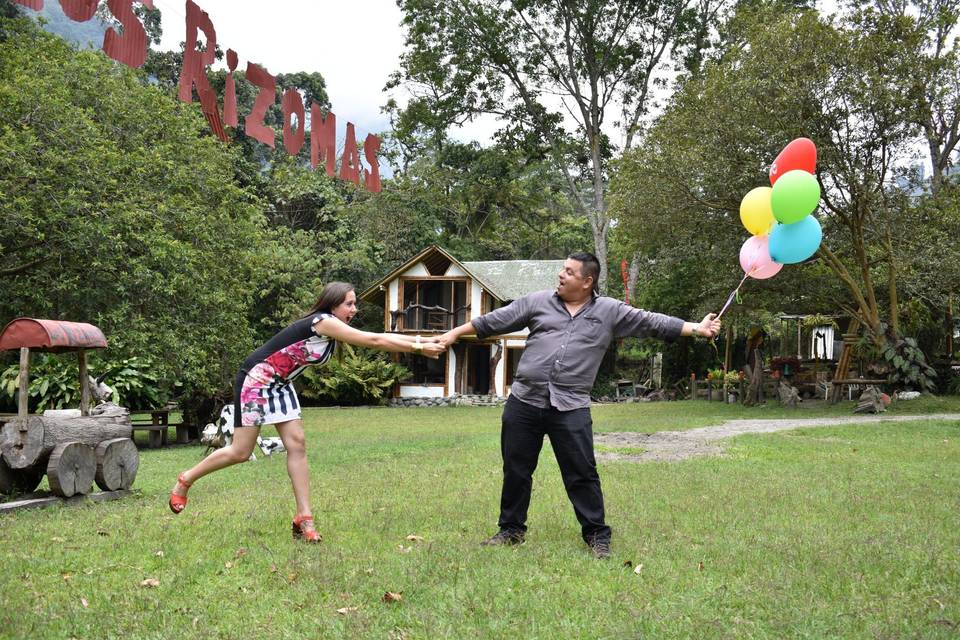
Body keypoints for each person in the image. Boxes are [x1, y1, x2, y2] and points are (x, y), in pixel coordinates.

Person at [437, 252, 720, 558]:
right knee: (517, 469)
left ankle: (596, 534)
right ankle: (511, 530)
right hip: (525, 401)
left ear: (587, 282)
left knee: (581, 472)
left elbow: (650, 321)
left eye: (569, 272)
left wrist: (696, 328)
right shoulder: (537, 302)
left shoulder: (609, 311)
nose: (561, 275)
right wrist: (453, 333)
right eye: (562, 269)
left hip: (570, 404)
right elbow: (493, 321)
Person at [169, 282, 446, 543]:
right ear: (333, 305)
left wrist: (420, 342)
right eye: (349, 304)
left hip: (280, 384)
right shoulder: (322, 322)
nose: (354, 310)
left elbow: (373, 338)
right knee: (241, 451)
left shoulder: (330, 331)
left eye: (355, 304)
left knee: (297, 444)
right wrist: (419, 345)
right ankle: (186, 479)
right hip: (257, 379)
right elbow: (372, 339)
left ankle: (305, 518)